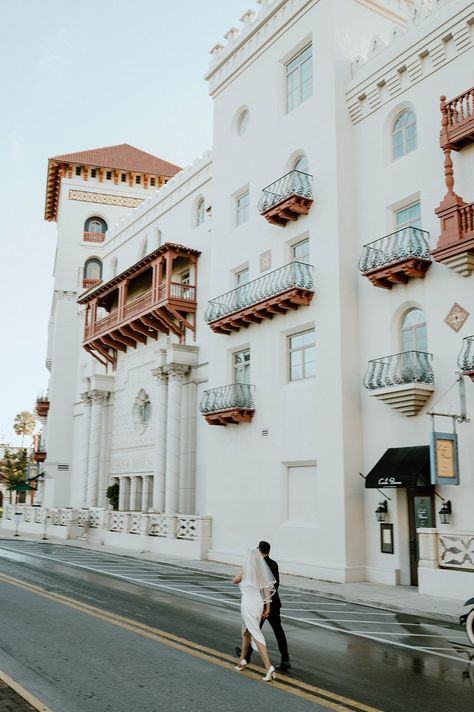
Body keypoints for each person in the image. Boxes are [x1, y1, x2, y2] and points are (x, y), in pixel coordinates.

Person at [235, 541, 291, 672]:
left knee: (252, 630)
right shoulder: (274, 564)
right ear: (269, 551)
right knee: (279, 632)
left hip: (261, 604)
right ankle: (285, 659)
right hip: (274, 604)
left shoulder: (257, 566)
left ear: (259, 551)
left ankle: (246, 657)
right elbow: (275, 585)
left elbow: (258, 585)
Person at [232, 548, 277, 682]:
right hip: (258, 603)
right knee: (247, 632)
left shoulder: (246, 570)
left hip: (248, 603)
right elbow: (266, 591)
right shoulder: (261, 571)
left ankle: (269, 667)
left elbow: (235, 580)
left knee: (255, 634)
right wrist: (267, 608)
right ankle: (242, 661)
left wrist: (241, 571)